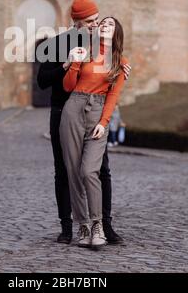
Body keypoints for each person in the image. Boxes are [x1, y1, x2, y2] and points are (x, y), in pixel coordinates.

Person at [37, 0, 131, 245]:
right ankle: (68, 227)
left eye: (97, 19)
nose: (94, 24)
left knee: (101, 169)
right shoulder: (57, 44)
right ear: (76, 21)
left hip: (93, 113)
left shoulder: (98, 43)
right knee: (64, 170)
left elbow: (112, 67)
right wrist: (67, 64)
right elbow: (42, 80)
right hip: (62, 110)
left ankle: (106, 226)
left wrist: (121, 68)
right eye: (89, 21)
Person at [59, 16, 128, 249]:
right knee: (73, 171)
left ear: (116, 32)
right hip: (73, 107)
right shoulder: (85, 52)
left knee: (89, 170)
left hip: (98, 112)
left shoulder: (120, 62)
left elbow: (113, 96)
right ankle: (83, 225)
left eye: (110, 23)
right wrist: (74, 63)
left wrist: (104, 121)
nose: (105, 25)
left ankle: (98, 224)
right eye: (102, 23)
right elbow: (67, 87)